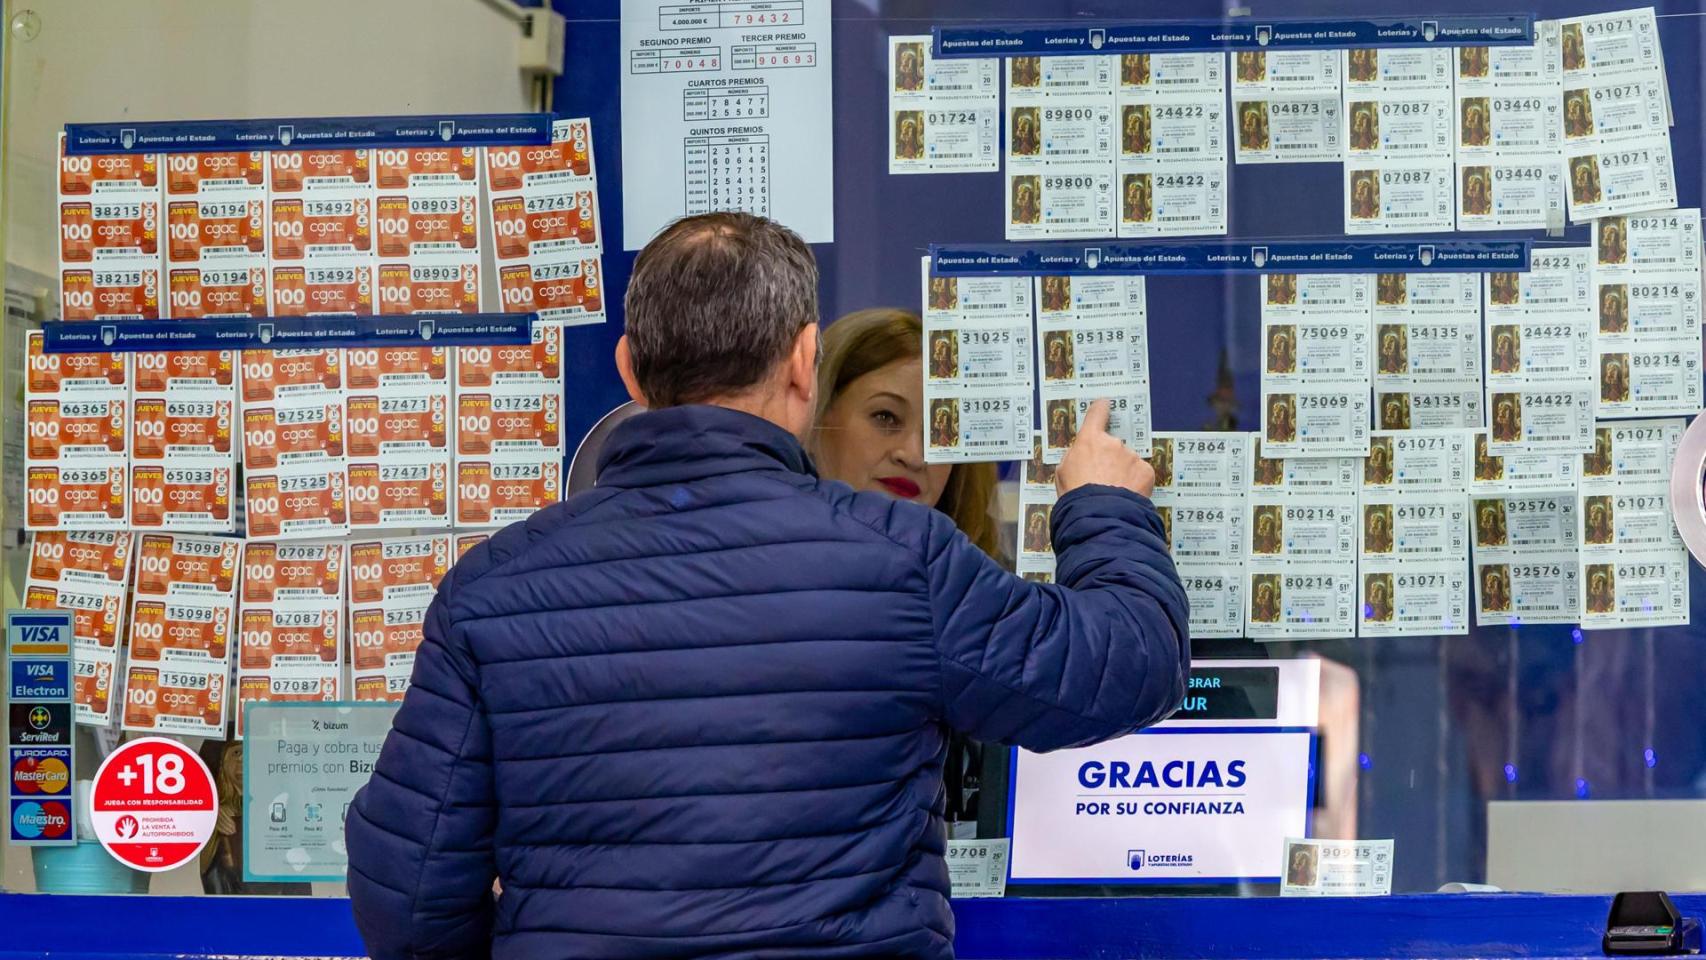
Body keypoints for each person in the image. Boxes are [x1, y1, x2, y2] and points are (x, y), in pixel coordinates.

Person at [345, 212, 1190, 960]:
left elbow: (409, 897)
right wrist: (1102, 506)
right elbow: (1128, 666)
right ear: (804, 362)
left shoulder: (490, 591)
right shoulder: (900, 561)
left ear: (631, 370)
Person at [812, 308, 1004, 829]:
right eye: (885, 418)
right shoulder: (754, 578)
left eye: (941, 432)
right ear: (817, 414)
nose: (915, 455)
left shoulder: (979, 591)